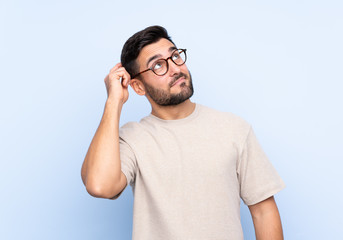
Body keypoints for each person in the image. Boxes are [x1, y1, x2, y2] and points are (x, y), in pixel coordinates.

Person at [81, 25, 285, 240]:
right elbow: (100, 185)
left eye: (175, 56)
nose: (175, 68)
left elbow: (263, 211)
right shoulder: (132, 138)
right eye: (158, 65)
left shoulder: (233, 128)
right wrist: (114, 101)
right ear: (138, 87)